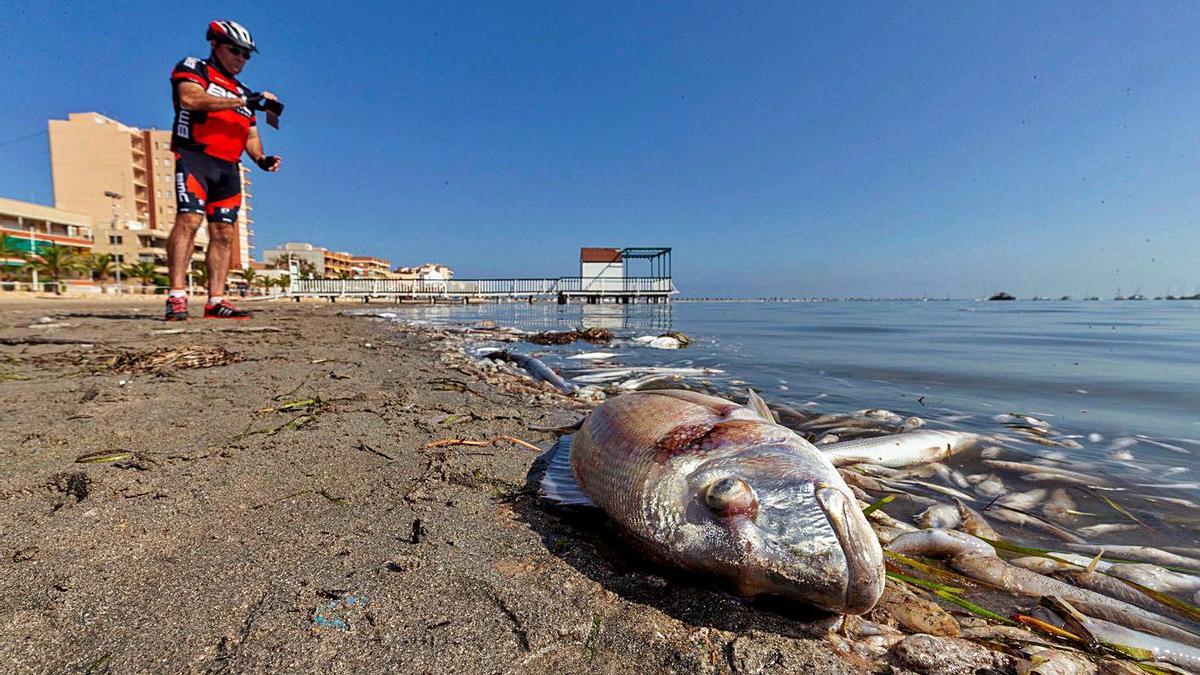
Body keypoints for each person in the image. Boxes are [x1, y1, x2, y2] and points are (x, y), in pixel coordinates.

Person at [164, 19, 282, 320]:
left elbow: (251, 135)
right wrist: (244, 100)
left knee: (225, 232)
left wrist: (261, 159)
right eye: (235, 51)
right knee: (189, 220)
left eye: (246, 55)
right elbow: (189, 98)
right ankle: (177, 295)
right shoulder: (195, 68)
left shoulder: (243, 92)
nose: (241, 59)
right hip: (196, 157)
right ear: (215, 45)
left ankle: (216, 300)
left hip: (229, 167)